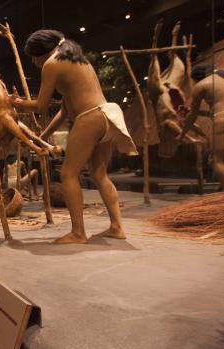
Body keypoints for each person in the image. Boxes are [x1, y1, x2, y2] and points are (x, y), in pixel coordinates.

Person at [12, 29, 137, 244]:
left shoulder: (52, 64)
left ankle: (78, 233)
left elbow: (40, 107)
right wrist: (42, 136)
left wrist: (18, 103)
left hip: (90, 118)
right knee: (99, 174)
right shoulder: (76, 60)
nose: (33, 62)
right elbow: (65, 111)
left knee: (69, 174)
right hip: (107, 114)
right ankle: (117, 227)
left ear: (43, 52)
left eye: (34, 56)